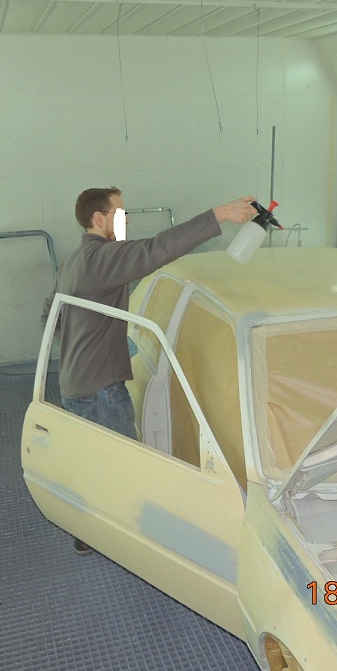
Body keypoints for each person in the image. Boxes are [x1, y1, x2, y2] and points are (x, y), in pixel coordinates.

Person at [41, 186, 257, 554]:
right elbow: (157, 249)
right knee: (124, 465)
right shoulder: (103, 258)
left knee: (91, 459)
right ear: (98, 219)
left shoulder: (74, 261)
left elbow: (51, 315)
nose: (126, 221)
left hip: (73, 382)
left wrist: (87, 344)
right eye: (120, 214)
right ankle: (129, 539)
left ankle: (86, 532)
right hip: (102, 388)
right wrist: (220, 214)